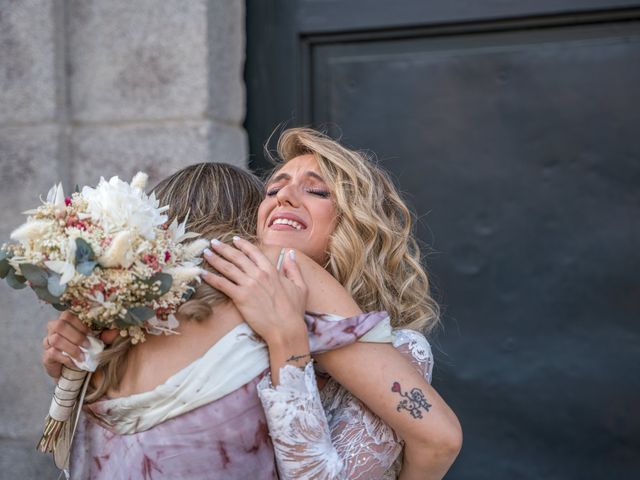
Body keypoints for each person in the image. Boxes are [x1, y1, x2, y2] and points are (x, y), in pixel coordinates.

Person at [43, 131, 461, 478]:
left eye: (316, 190)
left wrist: (288, 341)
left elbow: (439, 440)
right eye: (273, 188)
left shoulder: (397, 346)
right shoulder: (211, 305)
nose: (283, 197)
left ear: (358, 225)